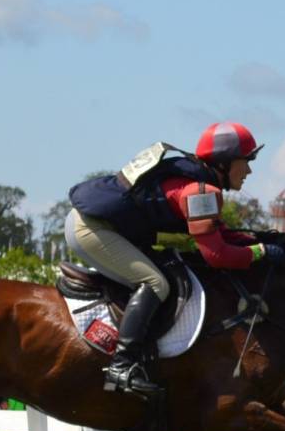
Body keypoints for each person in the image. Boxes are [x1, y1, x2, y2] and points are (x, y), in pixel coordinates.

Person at [66, 122, 274, 395]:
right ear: (224, 162)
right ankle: (121, 365)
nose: (249, 170)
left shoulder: (199, 184)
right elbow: (216, 255)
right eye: (245, 161)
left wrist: (262, 242)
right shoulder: (200, 192)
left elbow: (221, 236)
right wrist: (261, 253)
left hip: (104, 225)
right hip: (92, 229)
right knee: (156, 283)